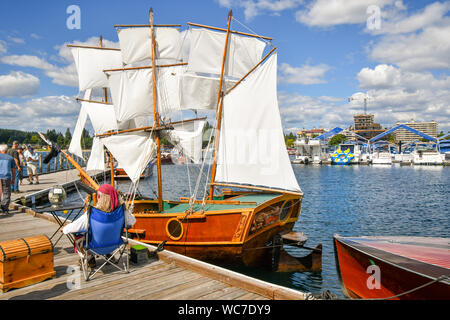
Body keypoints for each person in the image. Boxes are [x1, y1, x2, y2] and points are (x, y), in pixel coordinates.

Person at [62, 184, 136, 267]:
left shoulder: (92, 213)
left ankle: (89, 258)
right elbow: (132, 221)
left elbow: (69, 229)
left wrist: (64, 228)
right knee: (109, 231)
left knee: (79, 235)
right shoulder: (122, 211)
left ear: (99, 197)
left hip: (94, 247)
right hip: (115, 245)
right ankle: (109, 256)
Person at [0, 144, 17, 215]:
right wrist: (13, 179)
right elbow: (13, 170)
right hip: (6, 177)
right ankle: (5, 208)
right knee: (6, 193)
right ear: (7, 150)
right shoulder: (10, 158)